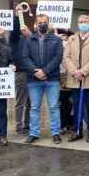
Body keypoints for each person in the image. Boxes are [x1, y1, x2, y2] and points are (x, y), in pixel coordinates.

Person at [20, 14, 64, 144]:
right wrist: (36, 71)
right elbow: (25, 58)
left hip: (52, 79)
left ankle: (55, 132)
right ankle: (34, 133)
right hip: (34, 80)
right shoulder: (29, 40)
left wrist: (44, 71)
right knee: (34, 107)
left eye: (45, 22)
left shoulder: (56, 40)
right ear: (36, 24)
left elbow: (58, 57)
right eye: (40, 23)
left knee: (54, 107)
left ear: (48, 23)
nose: (42, 25)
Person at [63, 15, 89, 143]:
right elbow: (66, 57)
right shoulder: (71, 39)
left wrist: (83, 71)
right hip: (74, 78)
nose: (83, 24)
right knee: (76, 105)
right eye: (80, 22)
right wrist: (75, 72)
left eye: (85, 22)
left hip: (88, 78)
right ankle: (77, 131)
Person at [12, 6, 31, 135]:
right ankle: (19, 125)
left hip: (32, 73)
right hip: (21, 73)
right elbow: (15, 28)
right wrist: (18, 14)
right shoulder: (15, 39)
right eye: (23, 29)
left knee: (31, 102)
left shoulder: (32, 39)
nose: (25, 30)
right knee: (21, 101)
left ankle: (27, 124)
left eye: (27, 29)